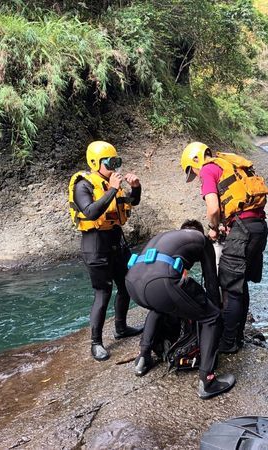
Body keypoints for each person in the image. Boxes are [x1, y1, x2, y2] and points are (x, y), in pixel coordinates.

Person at [125, 220, 236, 400]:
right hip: (160, 281)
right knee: (211, 317)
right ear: (201, 234)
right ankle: (207, 381)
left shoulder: (165, 238)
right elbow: (211, 284)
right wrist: (214, 311)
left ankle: (143, 358)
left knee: (158, 307)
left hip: (132, 283)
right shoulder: (202, 240)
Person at [180, 142, 268, 354]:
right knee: (240, 284)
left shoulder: (208, 169)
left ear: (196, 160)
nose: (195, 174)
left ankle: (228, 342)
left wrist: (213, 228)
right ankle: (237, 337)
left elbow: (212, 209)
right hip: (258, 228)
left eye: (192, 170)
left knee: (230, 286)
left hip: (242, 231)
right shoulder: (228, 163)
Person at [68, 141, 143, 361]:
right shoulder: (83, 184)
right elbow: (91, 212)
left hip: (116, 241)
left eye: (116, 162)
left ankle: (121, 327)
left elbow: (131, 202)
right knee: (103, 292)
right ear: (95, 163)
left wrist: (136, 187)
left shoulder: (111, 183)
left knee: (127, 284)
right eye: (109, 162)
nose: (114, 166)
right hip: (95, 244)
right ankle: (96, 342)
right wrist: (111, 188)